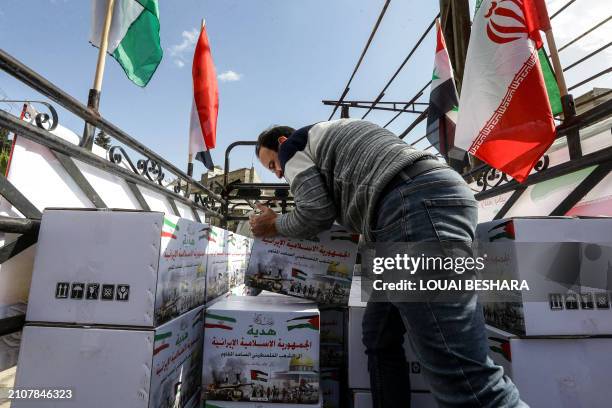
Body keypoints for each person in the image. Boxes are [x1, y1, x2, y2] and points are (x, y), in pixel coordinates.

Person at [249, 119, 526, 408]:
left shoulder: (294, 146)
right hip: (416, 205)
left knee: (465, 379)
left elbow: (314, 212)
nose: (279, 173)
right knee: (379, 334)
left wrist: (275, 224)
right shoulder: (329, 135)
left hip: (411, 207)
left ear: (281, 143)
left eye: (272, 165)